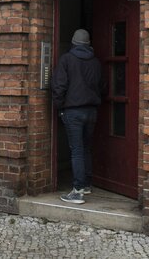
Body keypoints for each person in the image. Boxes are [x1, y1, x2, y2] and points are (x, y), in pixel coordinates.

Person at [52, 28, 104, 204]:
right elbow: (102, 87)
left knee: (76, 151)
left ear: (73, 43)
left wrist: (59, 107)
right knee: (86, 148)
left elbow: (59, 86)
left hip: (73, 111)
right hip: (92, 111)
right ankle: (86, 184)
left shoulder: (67, 59)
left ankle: (78, 191)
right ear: (88, 44)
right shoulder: (96, 62)